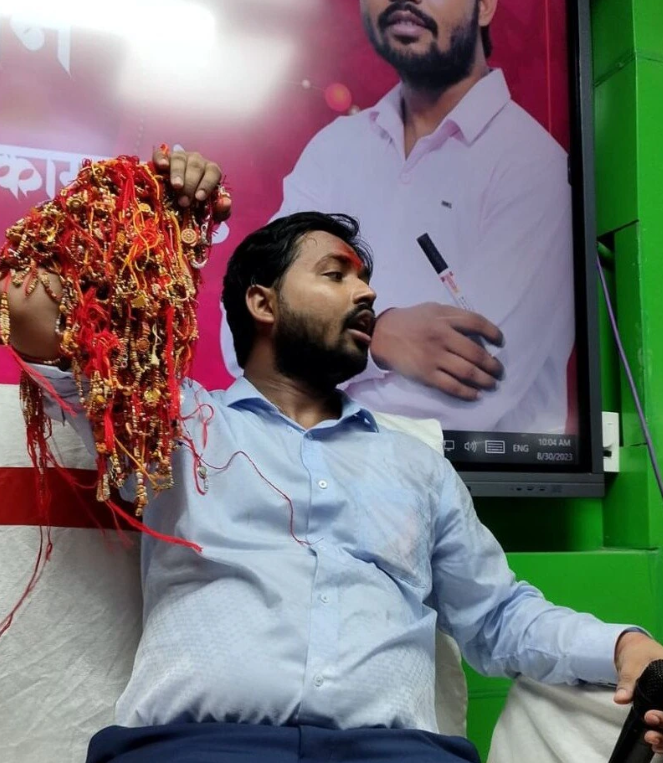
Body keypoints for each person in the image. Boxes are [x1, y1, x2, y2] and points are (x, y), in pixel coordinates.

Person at [7, 173, 663, 761]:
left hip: (395, 753)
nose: (368, 291)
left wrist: (625, 646)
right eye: (335, 274)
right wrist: (149, 196)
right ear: (263, 304)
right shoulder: (173, 423)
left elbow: (497, 618)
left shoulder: (416, 465)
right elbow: (24, 304)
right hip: (197, 747)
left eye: (364, 278)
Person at [219, 0, 576, 435]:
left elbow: (471, 395)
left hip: (472, 474)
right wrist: (379, 338)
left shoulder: (532, 165)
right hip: (305, 468)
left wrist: (309, 364)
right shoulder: (336, 148)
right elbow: (243, 333)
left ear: (484, 6)